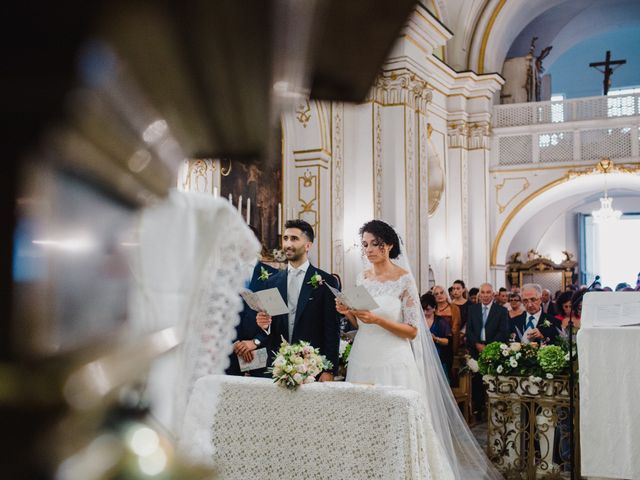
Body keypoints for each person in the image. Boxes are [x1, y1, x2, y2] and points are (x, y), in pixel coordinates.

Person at [336, 219, 502, 480]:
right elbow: (361, 323)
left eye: (374, 244)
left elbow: (413, 331)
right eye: (364, 245)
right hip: (363, 355)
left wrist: (379, 319)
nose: (368, 250)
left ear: (389, 245)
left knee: (397, 424)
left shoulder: (403, 280)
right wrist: (349, 313)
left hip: (393, 358)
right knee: (365, 422)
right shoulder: (362, 277)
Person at [250, 219, 340, 380]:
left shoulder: (326, 281)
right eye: (285, 238)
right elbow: (271, 328)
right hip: (278, 367)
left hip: (313, 367)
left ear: (308, 245)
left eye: (294, 239)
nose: (288, 244)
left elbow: (332, 329)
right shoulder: (271, 282)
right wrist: (265, 326)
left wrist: (329, 370)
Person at [466, 283, 510, 420]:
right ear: (480, 294)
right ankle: (479, 410)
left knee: (493, 380)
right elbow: (469, 330)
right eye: (483, 292)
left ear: (493, 294)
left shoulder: (501, 311)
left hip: (494, 350)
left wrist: (489, 347)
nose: (485, 295)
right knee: (478, 381)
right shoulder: (473, 309)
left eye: (488, 292)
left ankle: (495, 408)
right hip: (476, 349)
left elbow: (503, 332)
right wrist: (478, 344)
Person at [421, 292, 452, 378]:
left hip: (439, 359)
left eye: (427, 309)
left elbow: (447, 341)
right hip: (422, 358)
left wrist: (436, 339)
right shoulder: (419, 322)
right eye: (422, 310)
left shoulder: (441, 322)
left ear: (434, 308)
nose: (424, 312)